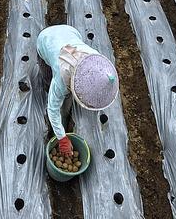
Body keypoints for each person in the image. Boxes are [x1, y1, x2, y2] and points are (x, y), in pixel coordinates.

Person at [37, 25, 119, 157]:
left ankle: (64, 117)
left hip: (70, 32)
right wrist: (62, 139)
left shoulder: (97, 63)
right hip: (46, 39)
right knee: (48, 79)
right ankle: (49, 88)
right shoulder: (62, 76)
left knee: (65, 97)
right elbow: (52, 109)